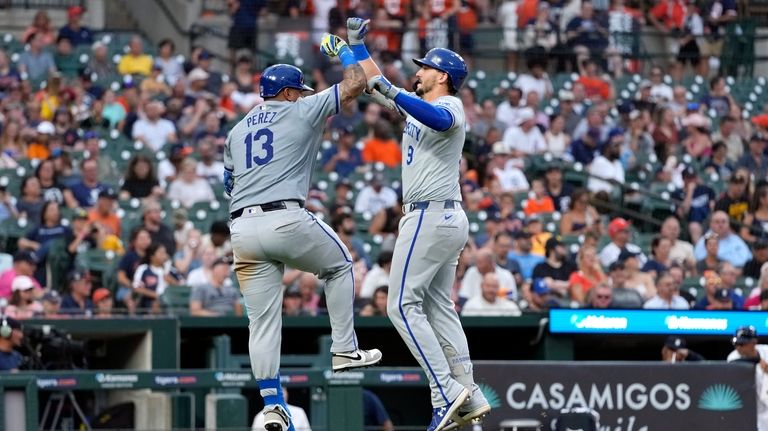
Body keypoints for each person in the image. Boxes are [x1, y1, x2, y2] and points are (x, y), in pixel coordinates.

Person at [224, 31, 381, 431]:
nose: (303, 94)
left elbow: (230, 182)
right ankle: (345, 350)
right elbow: (357, 83)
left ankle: (273, 404)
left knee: (261, 322)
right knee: (341, 265)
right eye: (300, 90)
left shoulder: (237, 130)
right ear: (291, 92)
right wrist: (345, 51)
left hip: (241, 228)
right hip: (284, 218)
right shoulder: (300, 108)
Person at [349, 17, 489, 430]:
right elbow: (378, 83)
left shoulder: (450, 105)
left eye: (425, 66)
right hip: (443, 215)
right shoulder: (419, 104)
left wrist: (393, 91)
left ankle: (445, 391)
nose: (418, 70)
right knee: (438, 307)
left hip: (430, 214)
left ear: (442, 75)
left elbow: (439, 120)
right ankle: (469, 391)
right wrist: (355, 48)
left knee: (400, 305)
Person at [727, 326, 768, 430]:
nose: (738, 347)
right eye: (736, 343)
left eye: (742, 343)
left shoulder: (766, 351)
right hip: (751, 409)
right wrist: (757, 359)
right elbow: (733, 364)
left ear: (754, 342)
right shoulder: (733, 356)